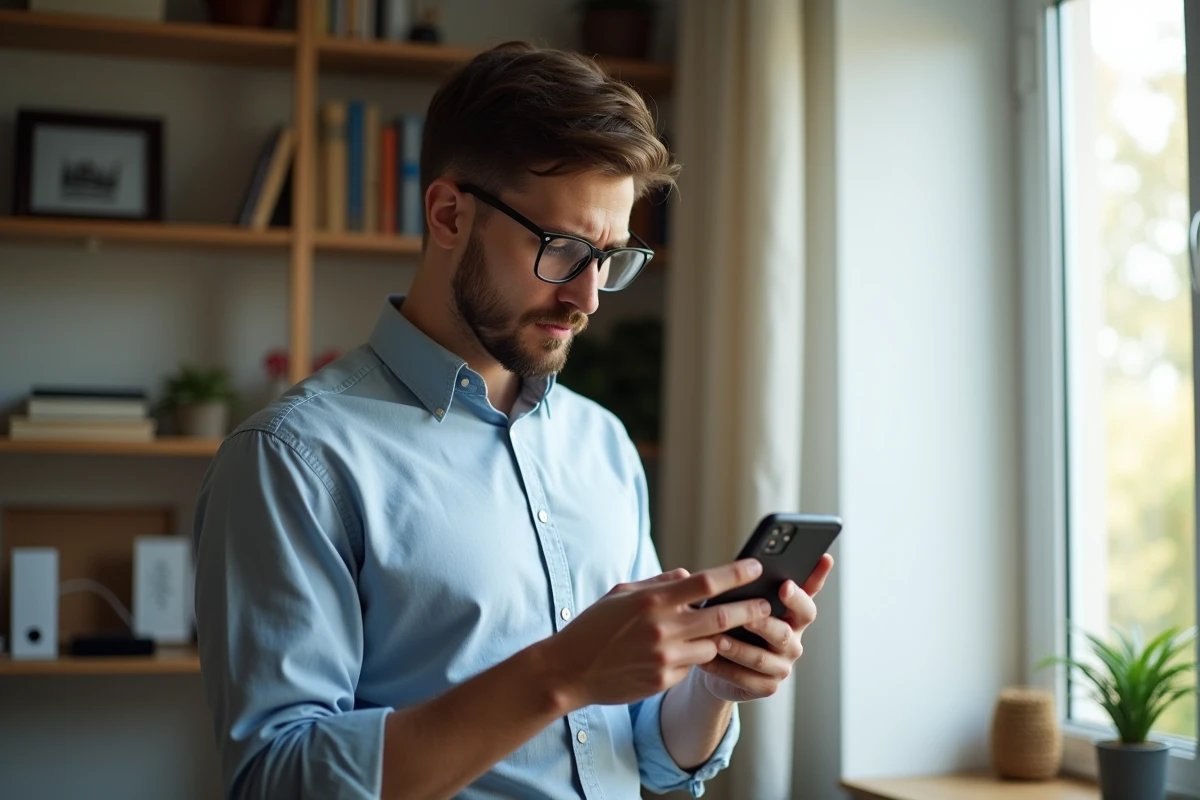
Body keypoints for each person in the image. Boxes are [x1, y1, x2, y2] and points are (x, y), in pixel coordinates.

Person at [192, 41, 833, 800]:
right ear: (448, 214)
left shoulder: (603, 444)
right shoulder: (293, 461)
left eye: (611, 258)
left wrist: (715, 688)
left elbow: (644, 757)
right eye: (563, 250)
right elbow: (279, 780)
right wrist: (560, 674)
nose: (589, 298)